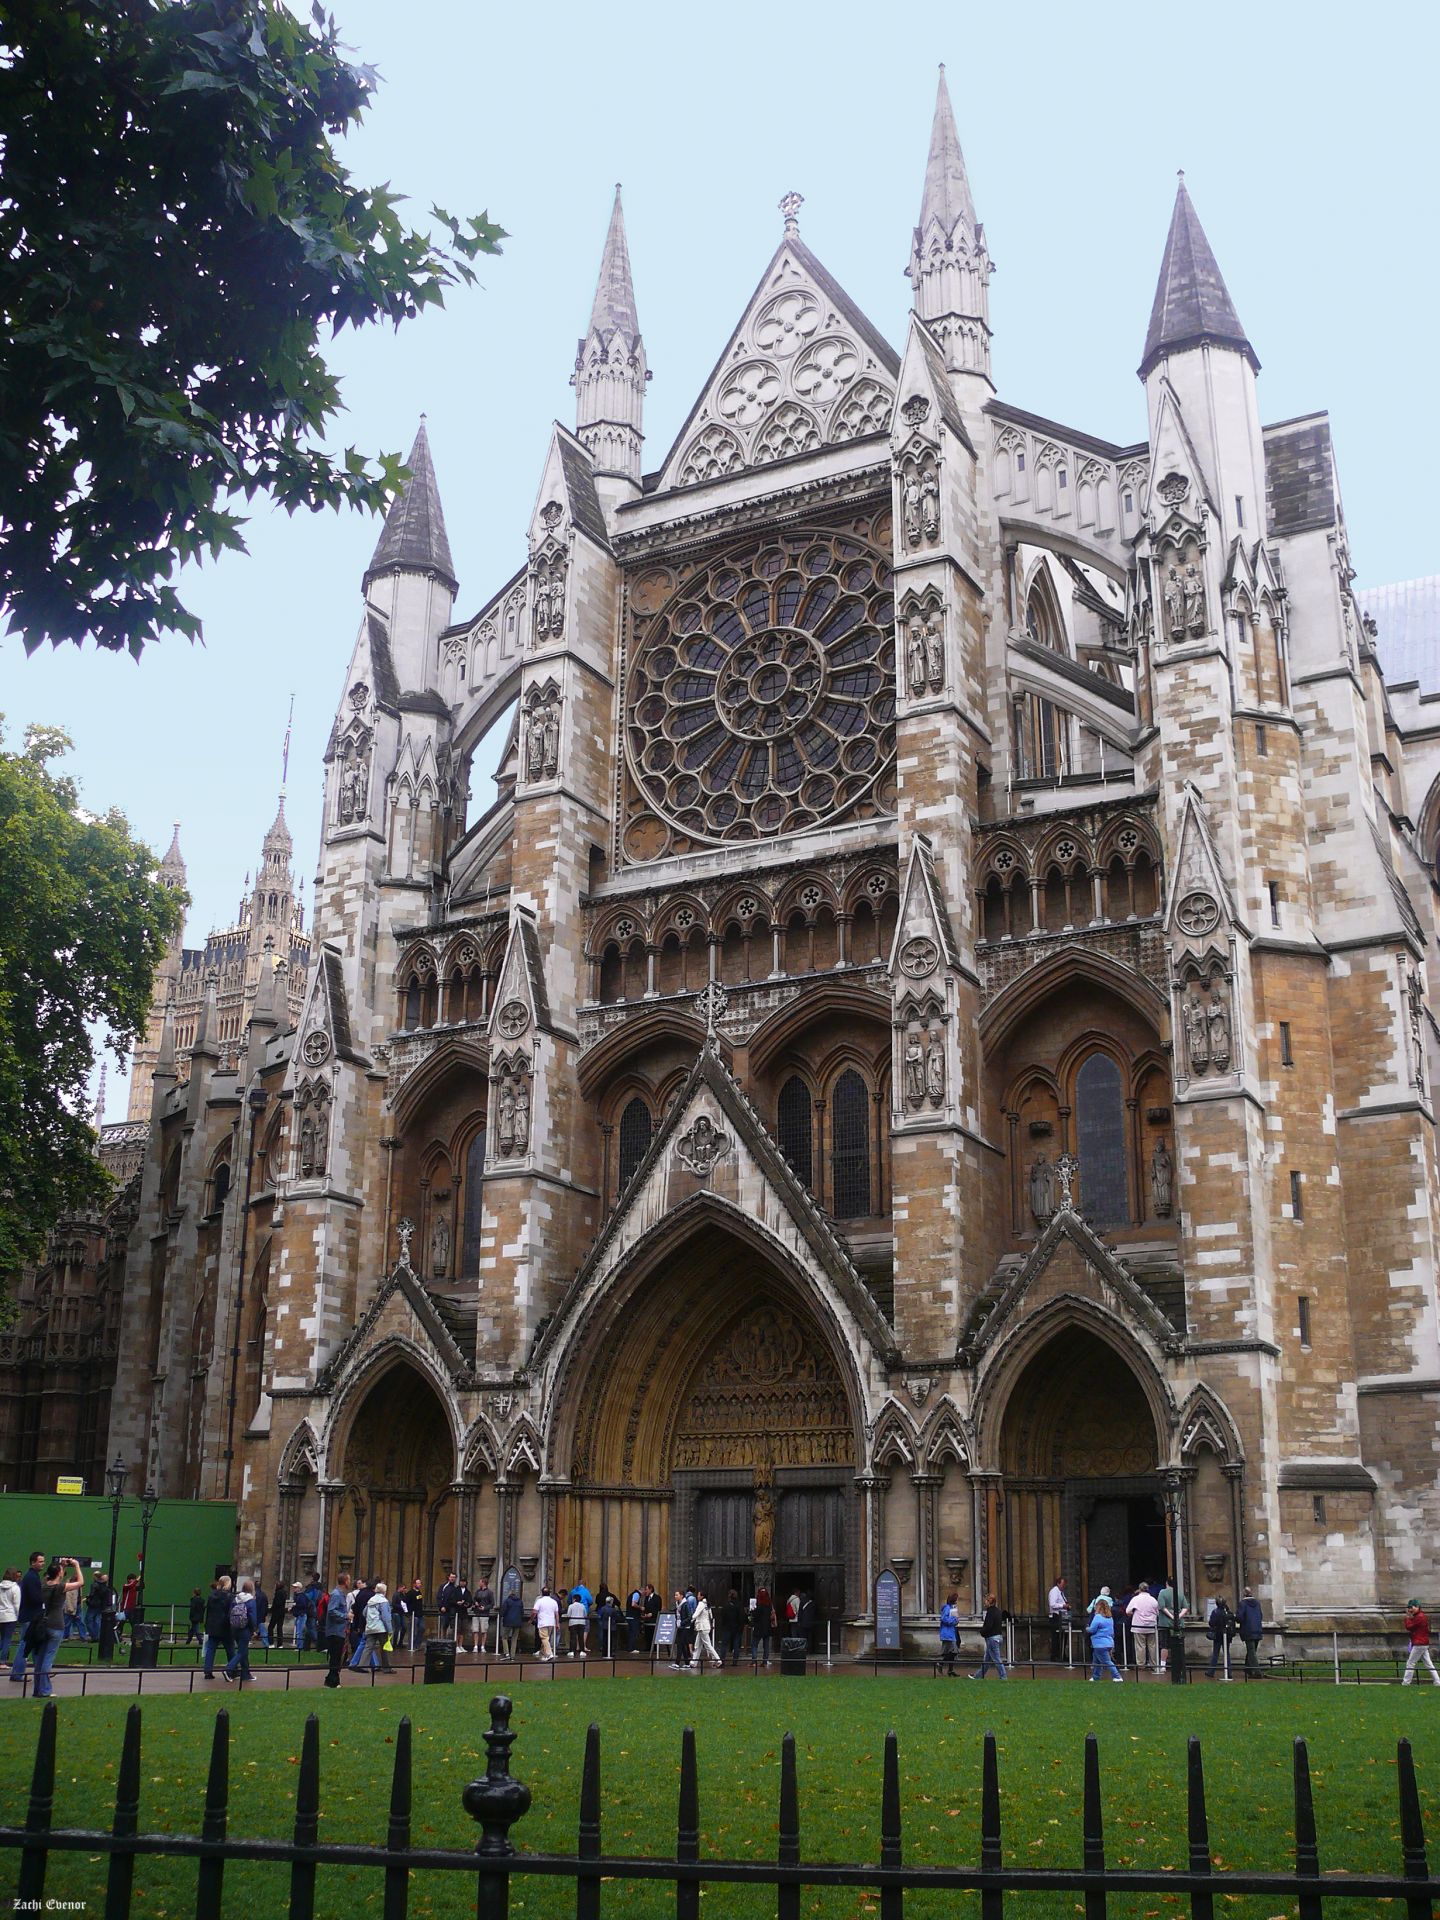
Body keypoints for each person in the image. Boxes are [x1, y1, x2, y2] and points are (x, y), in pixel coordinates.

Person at [23, 1559, 84, 1698]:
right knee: (48, 1659)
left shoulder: (43, 1586)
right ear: (59, 1574)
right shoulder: (61, 1587)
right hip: (56, 1625)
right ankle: (45, 1691)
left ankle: (37, 1690)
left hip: (42, 1625)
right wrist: (76, 1565)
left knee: (39, 1659)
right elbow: (80, 1582)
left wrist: (61, 1565)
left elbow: (55, 1575)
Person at [9, 1554, 48, 1682]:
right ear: (33, 1562)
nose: (43, 1563)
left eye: (43, 1561)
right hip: (31, 1616)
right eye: (40, 1561)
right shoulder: (31, 1578)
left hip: (30, 1615)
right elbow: (34, 1597)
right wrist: (45, 1598)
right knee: (25, 1645)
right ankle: (19, 1673)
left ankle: (40, 1672)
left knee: (32, 1645)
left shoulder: (31, 1576)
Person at [223, 1578, 258, 1683]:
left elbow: (230, 1613)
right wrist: (253, 1629)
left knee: (244, 1651)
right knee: (242, 1651)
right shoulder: (251, 1600)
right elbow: (252, 1617)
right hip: (245, 1629)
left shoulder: (235, 1599)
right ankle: (229, 1669)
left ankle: (246, 1674)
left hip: (235, 1628)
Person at [355, 1581, 394, 1673]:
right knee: (384, 1647)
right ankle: (387, 1667)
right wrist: (390, 1629)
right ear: (384, 1591)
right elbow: (386, 1617)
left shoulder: (371, 1600)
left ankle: (362, 1665)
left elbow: (364, 1613)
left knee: (368, 1647)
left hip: (370, 1627)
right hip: (381, 1628)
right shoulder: (383, 1601)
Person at [202, 1577, 235, 1680]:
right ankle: (232, 1670)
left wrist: (207, 1625)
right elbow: (230, 1613)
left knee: (211, 1649)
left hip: (213, 1626)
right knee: (230, 1649)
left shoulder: (212, 1596)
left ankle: (208, 1671)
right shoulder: (230, 1596)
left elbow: (209, 1612)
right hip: (225, 1626)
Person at [970, 1593, 1009, 1680]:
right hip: (998, 1636)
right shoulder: (998, 1611)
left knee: (996, 1659)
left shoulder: (990, 1612)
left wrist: (982, 1632)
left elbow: (988, 1626)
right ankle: (978, 1676)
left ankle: (1003, 1677)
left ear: (989, 1601)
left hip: (992, 1638)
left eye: (986, 1600)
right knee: (987, 1660)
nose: (984, 1602)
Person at [323, 1572, 351, 1687]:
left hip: (339, 1630)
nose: (350, 1582)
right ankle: (333, 1682)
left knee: (336, 1656)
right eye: (348, 1580)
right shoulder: (336, 1595)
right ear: (345, 1581)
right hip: (335, 1631)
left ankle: (331, 1680)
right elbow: (331, 1611)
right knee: (335, 1657)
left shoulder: (340, 1594)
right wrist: (346, 1616)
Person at [1402, 1599, 1440, 1685]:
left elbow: (1409, 1627)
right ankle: (1437, 1681)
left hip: (1419, 1643)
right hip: (1422, 1643)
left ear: (1418, 1607)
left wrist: (1407, 1617)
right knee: (1428, 1664)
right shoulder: (1419, 1616)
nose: (1410, 1609)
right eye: (1409, 1608)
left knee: (1410, 1663)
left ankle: (1406, 1682)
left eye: (1411, 1607)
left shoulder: (1420, 1617)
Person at [1125, 1583, 1160, 1675]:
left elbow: (1127, 1611)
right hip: (1151, 1625)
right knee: (1152, 1646)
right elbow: (1157, 1612)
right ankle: (1154, 1664)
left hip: (1138, 1625)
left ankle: (1141, 1665)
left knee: (1140, 1646)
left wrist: (1134, 1614)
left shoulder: (1135, 1599)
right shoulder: (1153, 1600)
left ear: (1139, 1589)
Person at [1088, 1597, 1124, 1682]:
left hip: (1099, 1643)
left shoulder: (1097, 1617)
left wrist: (1087, 1629)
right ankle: (1095, 1677)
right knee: (1097, 1661)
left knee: (1107, 1661)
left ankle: (1117, 1676)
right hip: (1109, 1642)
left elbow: (1092, 1629)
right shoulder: (1110, 1618)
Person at [1156, 1578, 1187, 1673]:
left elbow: (1161, 1607)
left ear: (1166, 1583)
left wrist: (1171, 1616)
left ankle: (1163, 1665)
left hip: (1165, 1623)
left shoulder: (1162, 1593)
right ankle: (1179, 1664)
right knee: (1178, 1644)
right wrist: (1178, 1617)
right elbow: (1185, 1607)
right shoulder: (1180, 1593)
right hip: (1178, 1623)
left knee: (1164, 1645)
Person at [1235, 1587, 1265, 1676]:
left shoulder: (1243, 1604)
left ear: (1244, 1594)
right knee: (1252, 1650)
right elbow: (1260, 1615)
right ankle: (1247, 1669)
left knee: (1251, 1651)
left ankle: (1257, 1672)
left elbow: (1239, 1617)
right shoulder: (1257, 1603)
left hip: (1248, 1630)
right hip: (1258, 1629)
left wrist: (1235, 1617)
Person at [688, 1590, 721, 1670]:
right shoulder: (707, 1604)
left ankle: (718, 1660)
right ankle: (693, 1662)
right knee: (697, 1645)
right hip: (704, 1627)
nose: (697, 1596)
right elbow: (710, 1616)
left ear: (702, 1596)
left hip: (702, 1627)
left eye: (699, 1595)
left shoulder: (701, 1604)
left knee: (707, 1645)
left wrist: (690, 1620)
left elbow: (696, 1614)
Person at [1205, 1595, 1235, 1677]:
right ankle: (1229, 1672)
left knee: (1215, 1653)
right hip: (1227, 1636)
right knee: (1227, 1653)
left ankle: (1211, 1671)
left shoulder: (1215, 1612)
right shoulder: (1228, 1612)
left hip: (1218, 1636)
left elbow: (1211, 1623)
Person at [716, 1590, 744, 1667]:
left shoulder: (726, 1606)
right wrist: (740, 1627)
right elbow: (741, 1617)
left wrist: (723, 1625)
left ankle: (722, 1660)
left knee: (724, 1645)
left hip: (727, 1628)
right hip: (737, 1628)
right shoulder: (739, 1605)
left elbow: (723, 1616)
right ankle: (735, 1662)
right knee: (736, 1645)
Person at [533, 1586, 560, 1661]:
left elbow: (534, 1611)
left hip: (542, 1622)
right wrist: (557, 1623)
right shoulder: (554, 1601)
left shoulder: (539, 1601)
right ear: (550, 1593)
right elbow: (556, 1614)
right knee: (546, 1639)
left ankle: (549, 1653)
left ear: (542, 1593)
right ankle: (542, 1654)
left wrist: (531, 1619)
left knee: (544, 1638)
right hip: (551, 1622)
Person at [0, 1567, 21, 1664]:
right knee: (7, 1640)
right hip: (10, 1616)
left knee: (2, 1638)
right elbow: (17, 1604)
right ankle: (2, 1661)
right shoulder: (15, 1588)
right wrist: (18, 1616)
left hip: (1, 1615)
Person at [472, 1575, 496, 1655]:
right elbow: (474, 1599)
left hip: (484, 1614)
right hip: (476, 1613)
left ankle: (482, 1646)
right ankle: (475, 1646)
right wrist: (475, 1603)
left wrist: (485, 1608)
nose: (479, 1583)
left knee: (483, 1630)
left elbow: (492, 1604)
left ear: (483, 1583)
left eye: (480, 1582)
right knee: (475, 1630)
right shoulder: (477, 1591)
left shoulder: (489, 1592)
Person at [500, 1584, 525, 1660]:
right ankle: (512, 1655)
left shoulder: (507, 1601)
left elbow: (503, 1611)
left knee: (504, 1637)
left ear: (509, 1594)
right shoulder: (520, 1601)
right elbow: (522, 1612)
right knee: (514, 1638)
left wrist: (501, 1615)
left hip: (508, 1621)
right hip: (517, 1622)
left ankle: (506, 1653)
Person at [1047, 1576, 1069, 1662]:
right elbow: (1052, 1604)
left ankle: (1062, 1654)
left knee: (1063, 1636)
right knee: (1056, 1637)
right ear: (1058, 1583)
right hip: (1056, 1617)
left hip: (1062, 1617)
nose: (1064, 1586)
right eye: (1063, 1584)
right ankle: (1055, 1655)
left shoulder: (1061, 1592)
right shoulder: (1054, 1591)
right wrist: (1063, 1606)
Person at [752, 1587, 775, 1668]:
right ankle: (765, 1661)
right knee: (766, 1646)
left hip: (758, 1628)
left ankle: (754, 1661)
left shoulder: (759, 1606)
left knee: (754, 1645)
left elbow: (755, 1617)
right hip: (767, 1628)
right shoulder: (769, 1606)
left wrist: (753, 1611)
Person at [938, 1590, 960, 1675]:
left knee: (950, 1651)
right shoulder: (947, 1608)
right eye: (956, 1599)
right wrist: (954, 1620)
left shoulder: (952, 1608)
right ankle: (940, 1664)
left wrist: (956, 1620)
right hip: (948, 1633)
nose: (957, 1601)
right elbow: (944, 1618)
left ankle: (950, 1670)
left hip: (952, 1632)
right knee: (953, 1651)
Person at [565, 1588, 590, 1657]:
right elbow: (585, 1614)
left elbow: (568, 1615)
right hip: (581, 1623)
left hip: (573, 1623)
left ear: (574, 1599)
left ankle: (572, 1651)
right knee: (580, 1637)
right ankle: (582, 1651)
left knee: (573, 1637)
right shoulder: (583, 1606)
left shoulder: (571, 1606)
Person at [437, 1574, 461, 1642]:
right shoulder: (443, 1586)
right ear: (448, 1577)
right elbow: (439, 1597)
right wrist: (441, 1606)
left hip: (453, 1609)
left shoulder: (456, 1587)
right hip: (444, 1610)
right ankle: (442, 1641)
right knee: (444, 1626)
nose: (452, 1579)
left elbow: (454, 1599)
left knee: (455, 1627)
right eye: (451, 1577)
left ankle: (454, 1643)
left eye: (454, 1577)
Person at [267, 1581, 287, 1649]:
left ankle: (271, 1643)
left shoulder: (278, 1593)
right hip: (282, 1612)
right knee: (279, 1628)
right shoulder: (284, 1592)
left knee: (270, 1627)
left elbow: (277, 1603)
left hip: (276, 1612)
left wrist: (271, 1609)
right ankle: (280, 1644)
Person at [253, 1580, 270, 1649]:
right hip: (261, 1615)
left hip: (255, 1614)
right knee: (262, 1630)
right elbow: (266, 1606)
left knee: (249, 1629)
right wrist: (265, 1614)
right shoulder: (264, 1595)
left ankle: (245, 1642)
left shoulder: (254, 1595)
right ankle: (265, 1643)